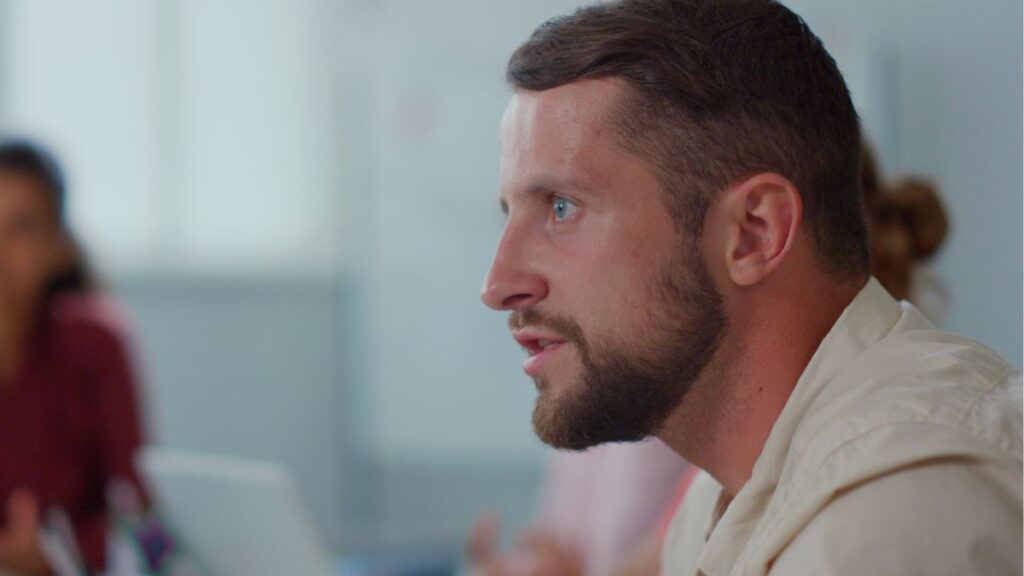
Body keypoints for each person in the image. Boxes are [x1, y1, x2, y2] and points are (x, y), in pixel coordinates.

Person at [480, 1, 1022, 574]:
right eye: (508, 213)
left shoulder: (891, 513)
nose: (498, 286)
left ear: (753, 233)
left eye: (562, 208)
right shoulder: (726, 495)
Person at [0, 139, 148, 574]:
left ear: (59, 247)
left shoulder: (95, 345)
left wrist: (56, 554)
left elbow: (143, 519)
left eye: (21, 226)